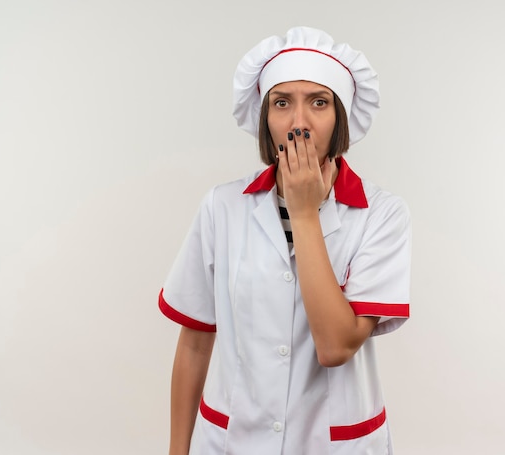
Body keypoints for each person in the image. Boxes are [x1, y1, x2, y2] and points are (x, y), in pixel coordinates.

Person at [158, 26, 412, 455]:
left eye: (318, 102)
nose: (299, 123)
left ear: (341, 118)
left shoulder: (383, 215)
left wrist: (304, 211)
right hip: (229, 443)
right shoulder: (222, 207)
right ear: (265, 120)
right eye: (281, 103)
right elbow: (196, 343)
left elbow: (336, 346)